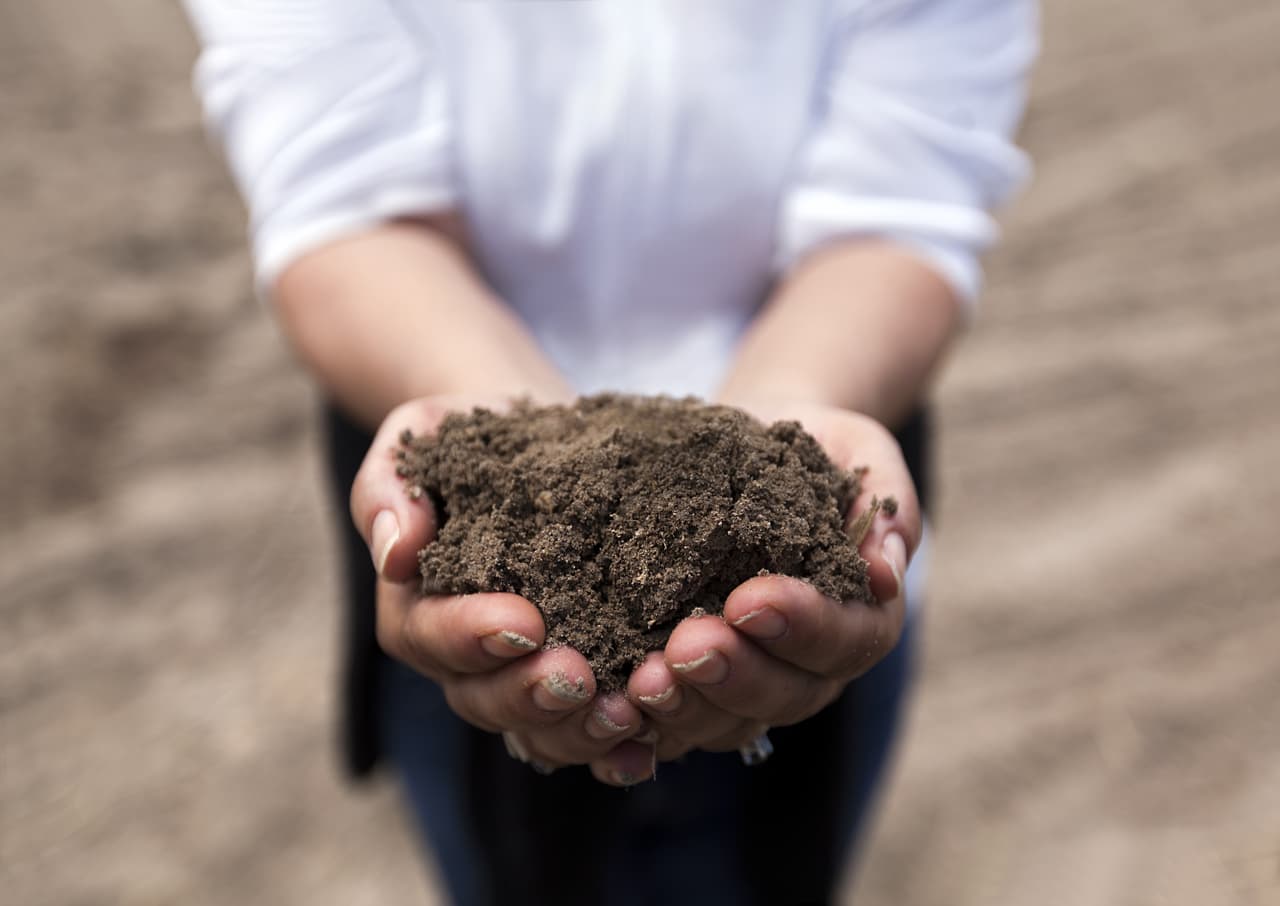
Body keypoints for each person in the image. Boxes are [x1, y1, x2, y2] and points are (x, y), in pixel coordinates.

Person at [182, 2, 1036, 903]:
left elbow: (902, 205)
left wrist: (797, 403)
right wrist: (499, 422)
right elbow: (341, 198)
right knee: (498, 859)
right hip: (451, 431)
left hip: (818, 416)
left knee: (772, 860)